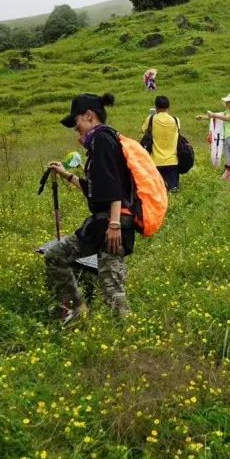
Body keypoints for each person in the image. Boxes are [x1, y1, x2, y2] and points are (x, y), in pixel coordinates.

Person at [45, 92, 133, 323]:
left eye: (77, 126)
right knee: (55, 255)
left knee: (111, 286)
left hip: (113, 225)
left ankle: (129, 337)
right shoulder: (98, 142)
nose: (77, 132)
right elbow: (97, 188)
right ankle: (77, 311)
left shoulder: (102, 140)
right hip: (101, 223)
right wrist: (66, 175)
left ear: (89, 116)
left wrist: (114, 225)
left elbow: (115, 187)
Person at [197, 92, 230, 183]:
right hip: (227, 138)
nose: (226, 104)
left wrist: (213, 115)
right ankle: (228, 180)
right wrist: (203, 117)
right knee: (229, 161)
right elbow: (216, 116)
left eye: (227, 102)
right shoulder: (227, 112)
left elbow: (227, 118)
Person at [141, 95, 181, 192]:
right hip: (172, 161)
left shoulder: (151, 119)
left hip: (155, 161)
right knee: (173, 191)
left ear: (156, 107)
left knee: (157, 191)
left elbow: (143, 130)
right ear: (169, 107)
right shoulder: (175, 120)